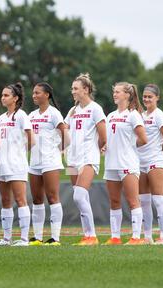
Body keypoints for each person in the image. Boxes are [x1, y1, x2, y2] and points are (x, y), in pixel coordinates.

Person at [104, 82, 148, 246]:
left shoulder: (133, 115)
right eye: (114, 91)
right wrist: (105, 145)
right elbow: (109, 138)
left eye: (118, 92)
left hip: (127, 163)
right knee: (114, 201)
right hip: (111, 163)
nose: (114, 94)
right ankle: (115, 237)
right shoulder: (110, 116)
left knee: (132, 200)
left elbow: (143, 139)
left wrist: (128, 147)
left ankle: (136, 238)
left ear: (127, 95)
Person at [65, 73, 106, 246]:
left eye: (76, 88)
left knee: (79, 196)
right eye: (72, 88)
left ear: (86, 90)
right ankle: (87, 236)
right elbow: (64, 130)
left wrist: (98, 147)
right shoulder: (73, 110)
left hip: (88, 158)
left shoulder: (95, 108)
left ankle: (91, 236)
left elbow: (104, 135)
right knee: (81, 196)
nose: (72, 91)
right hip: (72, 159)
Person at [28, 83, 69, 246]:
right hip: (34, 161)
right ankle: (37, 237)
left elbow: (66, 135)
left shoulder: (54, 114)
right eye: (33, 93)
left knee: (52, 197)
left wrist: (60, 150)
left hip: (50, 161)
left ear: (47, 95)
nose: (34, 95)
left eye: (37, 93)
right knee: (37, 198)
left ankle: (55, 237)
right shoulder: (31, 115)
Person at [0, 83, 34, 246]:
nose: (3, 98)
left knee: (20, 199)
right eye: (2, 95)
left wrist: (20, 151)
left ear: (16, 98)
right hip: (1, 164)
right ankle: (7, 238)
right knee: (5, 200)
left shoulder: (21, 115)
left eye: (6, 95)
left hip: (16, 164)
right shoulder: (1, 118)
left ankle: (24, 238)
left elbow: (31, 138)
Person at [138, 84, 163, 245]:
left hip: (155, 160)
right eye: (144, 96)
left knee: (158, 199)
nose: (146, 99)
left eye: (150, 96)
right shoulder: (141, 115)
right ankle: (147, 237)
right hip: (140, 161)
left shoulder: (159, 115)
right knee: (144, 200)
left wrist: (161, 152)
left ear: (157, 98)